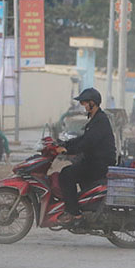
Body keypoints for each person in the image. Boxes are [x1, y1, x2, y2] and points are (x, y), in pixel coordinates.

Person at [56, 88, 117, 225]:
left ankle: (74, 213)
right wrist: (64, 143)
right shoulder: (95, 119)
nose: (82, 105)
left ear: (92, 103)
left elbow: (87, 143)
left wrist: (66, 150)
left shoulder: (100, 120)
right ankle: (86, 208)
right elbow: (83, 138)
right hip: (94, 160)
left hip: (99, 163)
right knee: (74, 170)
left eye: (84, 103)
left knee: (66, 174)